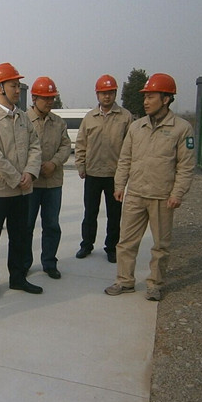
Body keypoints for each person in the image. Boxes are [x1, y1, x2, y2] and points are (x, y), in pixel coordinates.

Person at [105, 73, 195, 301]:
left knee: (161, 245)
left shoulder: (181, 129)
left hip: (162, 197)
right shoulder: (136, 127)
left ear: (166, 99)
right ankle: (124, 281)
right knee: (126, 242)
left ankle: (155, 284)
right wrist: (120, 185)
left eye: (151, 97)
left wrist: (177, 193)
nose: (145, 101)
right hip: (135, 194)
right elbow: (125, 159)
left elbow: (186, 166)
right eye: (145, 97)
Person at [0, 62, 43, 300]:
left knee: (19, 237)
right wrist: (17, 178)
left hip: (21, 191)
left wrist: (30, 173)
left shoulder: (23, 118)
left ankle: (17, 278)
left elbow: (35, 146)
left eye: (18, 85)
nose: (17, 90)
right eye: (13, 85)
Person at [75, 75, 133, 263]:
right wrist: (81, 165)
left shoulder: (125, 117)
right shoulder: (90, 118)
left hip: (114, 176)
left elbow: (130, 147)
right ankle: (86, 244)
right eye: (103, 93)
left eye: (110, 93)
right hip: (92, 174)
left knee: (114, 215)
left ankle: (112, 247)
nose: (106, 96)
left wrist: (125, 174)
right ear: (97, 95)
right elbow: (81, 143)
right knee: (90, 213)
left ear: (115, 93)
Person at [23, 77, 71, 280]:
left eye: (52, 98)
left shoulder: (58, 122)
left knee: (51, 225)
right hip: (30, 184)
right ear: (34, 98)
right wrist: (32, 169)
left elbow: (66, 146)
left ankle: (49, 262)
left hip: (53, 183)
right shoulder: (23, 120)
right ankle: (24, 263)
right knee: (26, 226)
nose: (50, 102)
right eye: (45, 98)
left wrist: (54, 163)